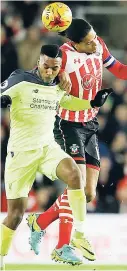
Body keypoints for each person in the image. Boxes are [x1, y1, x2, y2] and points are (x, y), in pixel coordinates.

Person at [27, 18, 127, 263]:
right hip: (67, 125)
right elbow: (42, 79)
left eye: (95, 38)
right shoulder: (61, 57)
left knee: (88, 193)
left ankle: (39, 222)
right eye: (89, 42)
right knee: (76, 186)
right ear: (74, 43)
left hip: (90, 124)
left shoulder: (98, 45)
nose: (95, 44)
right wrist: (54, 80)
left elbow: (119, 69)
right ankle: (63, 246)